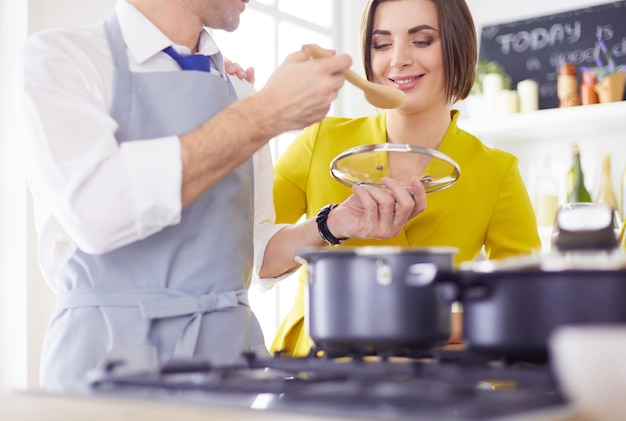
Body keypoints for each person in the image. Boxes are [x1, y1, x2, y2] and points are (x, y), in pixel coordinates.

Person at [15, 0, 427, 391]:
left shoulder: (238, 91)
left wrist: (334, 224)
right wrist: (265, 114)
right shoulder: (62, 59)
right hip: (105, 366)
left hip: (231, 366)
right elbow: (98, 212)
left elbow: (253, 250)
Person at [270, 0, 541, 357]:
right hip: (312, 372)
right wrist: (328, 226)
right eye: (382, 44)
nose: (398, 59)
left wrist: (421, 325)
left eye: (422, 40)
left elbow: (524, 303)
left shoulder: (496, 171)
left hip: (428, 385)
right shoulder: (319, 141)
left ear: (458, 46)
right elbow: (253, 258)